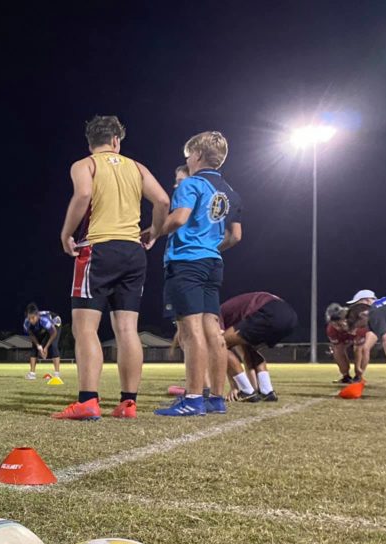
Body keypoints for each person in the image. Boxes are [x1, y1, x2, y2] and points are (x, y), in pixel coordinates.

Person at [55, 115, 169, 420]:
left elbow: (83, 195)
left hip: (98, 249)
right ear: (117, 140)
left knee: (85, 328)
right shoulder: (137, 167)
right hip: (133, 251)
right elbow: (162, 200)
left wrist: (66, 233)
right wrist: (154, 232)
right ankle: (127, 403)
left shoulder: (86, 165)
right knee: (127, 329)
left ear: (90, 142)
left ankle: (88, 401)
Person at [154, 132, 242, 417]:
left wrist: (154, 231)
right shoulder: (230, 191)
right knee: (211, 331)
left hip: (187, 262)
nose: (188, 160)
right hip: (212, 263)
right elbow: (235, 236)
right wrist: (210, 247)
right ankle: (216, 398)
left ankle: (192, 398)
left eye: (189, 156)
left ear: (198, 155)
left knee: (190, 332)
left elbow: (178, 218)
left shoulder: (191, 183)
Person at [219, 292, 299, 402]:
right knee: (249, 350)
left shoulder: (217, 314)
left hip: (270, 311)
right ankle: (266, 391)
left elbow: (221, 347)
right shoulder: (237, 317)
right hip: (289, 317)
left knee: (218, 345)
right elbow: (245, 354)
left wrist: (234, 386)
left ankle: (246, 390)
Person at [347, 295, 386, 376]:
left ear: (362, 315)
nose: (361, 329)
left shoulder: (373, 315)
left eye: (360, 326)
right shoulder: (377, 307)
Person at [325, 303, 366, 384]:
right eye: (334, 323)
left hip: (369, 331)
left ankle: (359, 376)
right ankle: (346, 376)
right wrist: (344, 371)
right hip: (349, 335)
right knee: (337, 350)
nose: (337, 327)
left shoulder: (358, 324)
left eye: (339, 323)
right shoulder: (331, 329)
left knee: (363, 349)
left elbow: (358, 349)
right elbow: (339, 349)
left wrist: (358, 370)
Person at [23, 303, 62, 382]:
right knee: (34, 347)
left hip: (55, 323)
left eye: (33, 318)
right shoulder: (26, 323)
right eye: (29, 318)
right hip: (44, 328)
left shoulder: (44, 320)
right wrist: (38, 346)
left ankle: (57, 374)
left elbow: (53, 333)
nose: (31, 320)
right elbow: (32, 335)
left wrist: (46, 347)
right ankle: (32, 374)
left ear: (37, 315)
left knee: (53, 346)